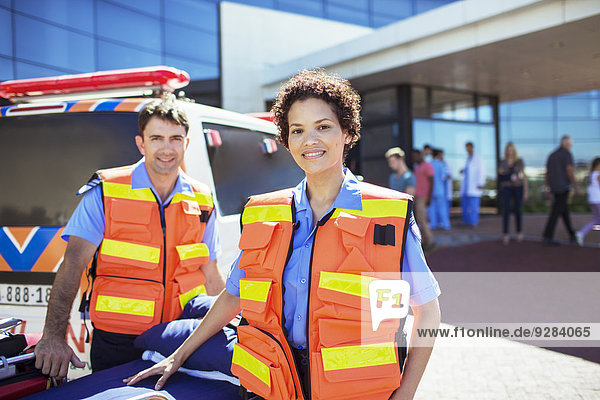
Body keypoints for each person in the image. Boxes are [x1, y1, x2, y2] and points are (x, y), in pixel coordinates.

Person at [125, 69, 441, 400]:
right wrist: (179, 355)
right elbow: (234, 296)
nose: (310, 140)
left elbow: (428, 311)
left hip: (354, 391)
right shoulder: (264, 213)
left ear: (347, 132)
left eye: (323, 127)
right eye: (298, 130)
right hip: (273, 385)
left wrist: (405, 394)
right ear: (287, 140)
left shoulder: (387, 217)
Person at [34, 96, 225, 378]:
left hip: (177, 338)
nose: (166, 148)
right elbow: (73, 263)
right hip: (117, 340)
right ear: (141, 143)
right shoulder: (106, 190)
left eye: (175, 138)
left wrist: (229, 326)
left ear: (186, 143)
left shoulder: (203, 197)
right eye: (157, 138)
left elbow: (210, 273)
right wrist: (53, 336)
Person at [542, 135, 579, 245]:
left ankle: (572, 235)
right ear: (565, 143)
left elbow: (547, 173)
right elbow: (569, 170)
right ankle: (547, 235)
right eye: (570, 144)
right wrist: (575, 186)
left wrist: (548, 188)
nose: (570, 146)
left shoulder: (552, 155)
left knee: (564, 211)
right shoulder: (566, 154)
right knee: (556, 212)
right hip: (563, 188)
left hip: (554, 188)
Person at [498, 142, 529, 245]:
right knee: (506, 210)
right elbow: (500, 176)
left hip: (518, 188)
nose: (510, 151)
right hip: (507, 188)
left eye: (512, 149)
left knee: (517, 210)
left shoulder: (519, 162)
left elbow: (524, 177)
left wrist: (525, 191)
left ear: (514, 150)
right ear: (506, 150)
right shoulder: (502, 162)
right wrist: (509, 177)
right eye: (508, 149)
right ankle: (505, 234)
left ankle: (519, 232)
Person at [411, 149, 435, 250]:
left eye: (415, 156)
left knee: (422, 219)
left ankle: (430, 241)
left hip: (423, 197)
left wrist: (429, 197)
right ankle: (424, 241)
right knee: (419, 220)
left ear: (420, 155)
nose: (414, 158)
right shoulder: (417, 168)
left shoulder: (427, 166)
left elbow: (432, 182)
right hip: (416, 197)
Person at [575, 157, 600, 246]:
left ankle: (581, 233)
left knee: (596, 221)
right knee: (597, 221)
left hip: (592, 200)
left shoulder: (591, 174)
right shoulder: (598, 174)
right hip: (598, 200)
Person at [460, 142, 485, 227]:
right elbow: (468, 171)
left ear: (472, 147)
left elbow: (482, 171)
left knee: (474, 207)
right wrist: (463, 171)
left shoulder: (478, 158)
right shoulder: (468, 159)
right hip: (467, 187)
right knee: (465, 206)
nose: (467, 149)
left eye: (468, 147)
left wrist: (481, 183)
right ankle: (466, 221)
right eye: (466, 148)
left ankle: (474, 222)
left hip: (475, 186)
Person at [428, 149, 450, 230]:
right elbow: (444, 177)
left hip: (431, 190)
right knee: (442, 208)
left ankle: (433, 224)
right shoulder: (441, 164)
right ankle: (446, 225)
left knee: (432, 209)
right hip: (440, 190)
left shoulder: (429, 164)